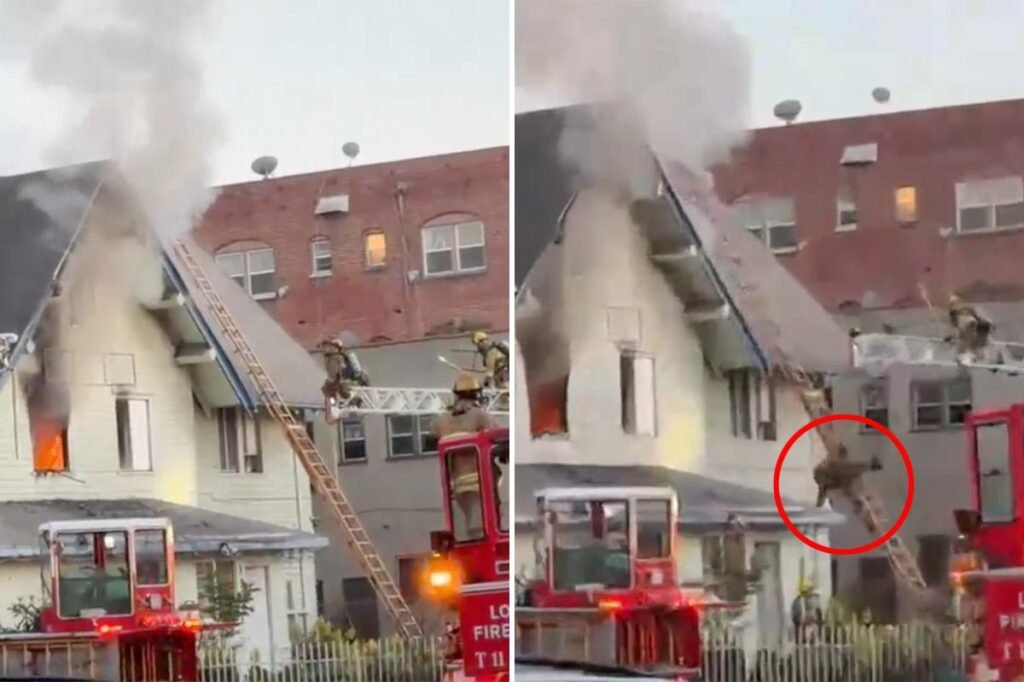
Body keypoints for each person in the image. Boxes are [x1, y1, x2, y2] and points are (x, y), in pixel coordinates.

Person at [812, 447, 883, 508]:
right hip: (835, 476)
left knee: (847, 470)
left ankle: (870, 466)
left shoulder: (829, 474)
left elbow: (822, 494)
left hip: (835, 475)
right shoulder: (828, 478)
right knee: (848, 470)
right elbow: (822, 493)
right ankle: (871, 466)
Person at [433, 372, 494, 439]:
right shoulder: (481, 415)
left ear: (456, 395)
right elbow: (494, 435)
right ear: (476, 394)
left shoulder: (442, 420)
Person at [946, 294, 997, 365]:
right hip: (972, 332)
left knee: (970, 349)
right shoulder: (962, 313)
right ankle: (977, 359)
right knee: (974, 349)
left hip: (972, 331)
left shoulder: (963, 314)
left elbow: (962, 328)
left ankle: (973, 360)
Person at [319, 337, 369, 406]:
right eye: (326, 346)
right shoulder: (331, 358)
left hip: (348, 381)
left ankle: (351, 400)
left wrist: (334, 381)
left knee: (332, 388)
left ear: (336, 348)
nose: (326, 348)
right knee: (327, 389)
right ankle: (340, 402)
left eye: (330, 346)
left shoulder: (337, 358)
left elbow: (336, 374)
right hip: (342, 383)